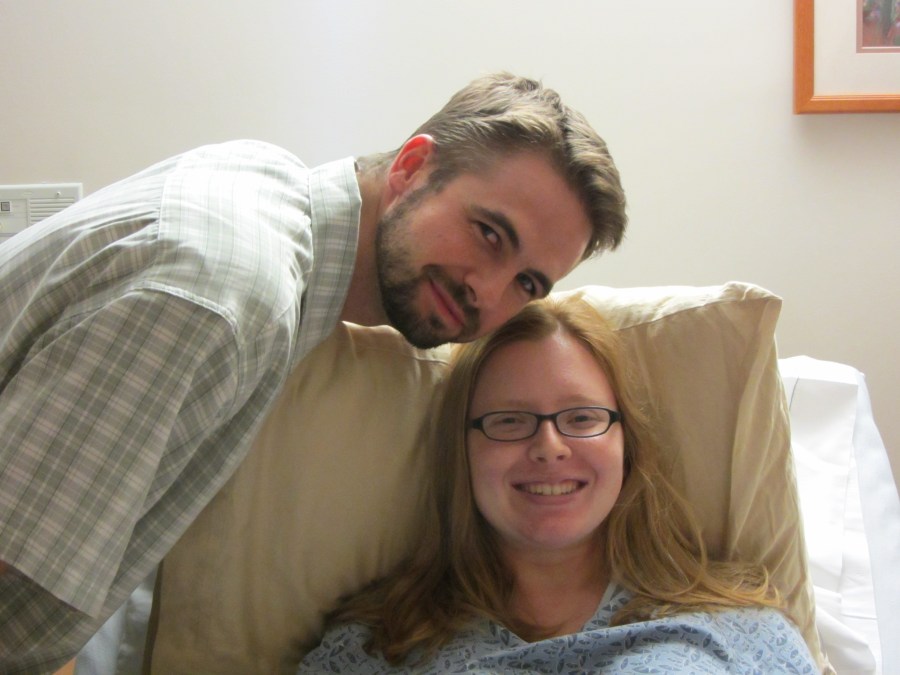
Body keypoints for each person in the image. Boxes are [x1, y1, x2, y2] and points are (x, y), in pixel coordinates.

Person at [0, 73, 627, 673]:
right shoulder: (229, 301)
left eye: (527, 283)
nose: (486, 294)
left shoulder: (264, 178)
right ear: (412, 167)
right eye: (488, 233)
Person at [300, 296, 819, 674]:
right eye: (509, 421)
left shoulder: (742, 633)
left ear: (626, 444)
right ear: (462, 452)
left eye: (581, 417)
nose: (549, 447)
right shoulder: (373, 650)